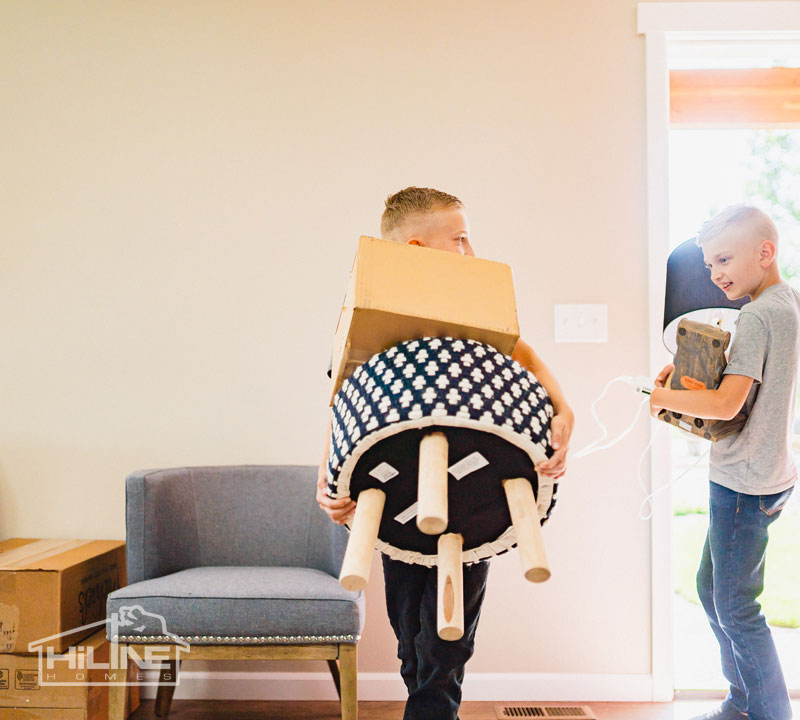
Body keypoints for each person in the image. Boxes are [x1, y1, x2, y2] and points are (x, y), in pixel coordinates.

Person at [316, 186, 574, 720]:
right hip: (399, 490)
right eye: (460, 240)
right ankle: (424, 696)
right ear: (415, 250)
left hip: (471, 493)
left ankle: (433, 708)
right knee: (406, 621)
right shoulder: (372, 313)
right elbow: (343, 394)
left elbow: (523, 352)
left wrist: (561, 405)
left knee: (450, 629)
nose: (471, 253)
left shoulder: (475, 307)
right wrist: (328, 476)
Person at [650, 205, 800, 720]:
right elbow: (751, 393)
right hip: (768, 471)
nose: (715, 274)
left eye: (724, 259)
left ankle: (767, 712)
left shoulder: (759, 314)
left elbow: (727, 405)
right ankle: (744, 702)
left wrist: (661, 397)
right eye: (710, 264)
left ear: (765, 252)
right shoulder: (786, 302)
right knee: (711, 590)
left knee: (736, 606)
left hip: (742, 481)